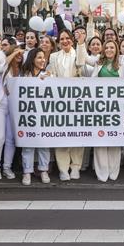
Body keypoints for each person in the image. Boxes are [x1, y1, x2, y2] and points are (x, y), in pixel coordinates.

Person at [85, 40, 124, 182]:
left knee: (115, 139)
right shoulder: (97, 61)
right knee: (100, 139)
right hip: (99, 108)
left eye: (112, 47)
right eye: (107, 47)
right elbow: (82, 59)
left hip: (117, 108)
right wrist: (80, 42)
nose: (109, 50)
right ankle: (102, 172)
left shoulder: (121, 63)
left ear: (116, 50)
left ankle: (113, 171)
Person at [48, 26, 87, 180]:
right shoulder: (53, 57)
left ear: (72, 40)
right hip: (60, 101)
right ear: (58, 42)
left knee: (77, 134)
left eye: (67, 38)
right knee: (62, 135)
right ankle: (63, 168)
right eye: (62, 39)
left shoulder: (79, 53)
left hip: (77, 101)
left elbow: (82, 68)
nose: (65, 41)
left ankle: (76, 166)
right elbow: (52, 75)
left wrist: (81, 43)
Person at [19, 49, 52, 185]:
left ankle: (43, 170)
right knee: (28, 143)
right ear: (32, 59)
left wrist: (47, 80)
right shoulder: (24, 75)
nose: (42, 60)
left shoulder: (48, 74)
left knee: (44, 143)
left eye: (44, 58)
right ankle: (27, 171)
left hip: (44, 115)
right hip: (28, 114)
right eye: (39, 58)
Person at [0, 46, 21, 181]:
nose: (19, 55)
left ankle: (6, 167)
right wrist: (13, 53)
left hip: (15, 107)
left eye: (21, 53)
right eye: (17, 52)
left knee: (11, 139)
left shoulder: (23, 69)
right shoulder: (4, 66)